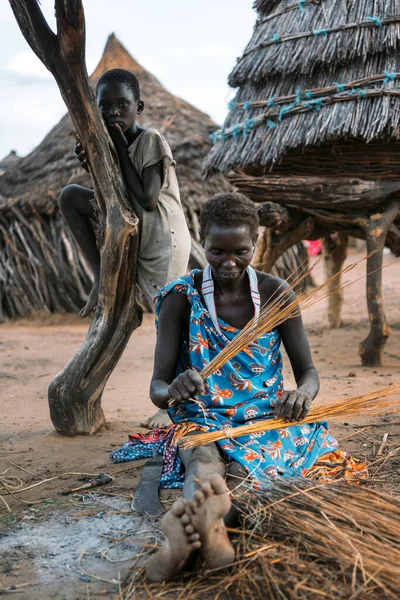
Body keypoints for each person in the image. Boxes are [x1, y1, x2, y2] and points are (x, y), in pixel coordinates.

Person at [111, 192, 367, 582]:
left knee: (251, 472)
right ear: (202, 241)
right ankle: (206, 525)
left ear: (255, 242)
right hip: (201, 415)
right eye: (216, 251)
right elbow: (157, 388)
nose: (229, 263)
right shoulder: (180, 298)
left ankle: (206, 523)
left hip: (266, 413)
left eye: (240, 252)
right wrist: (173, 389)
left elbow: (309, 373)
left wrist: (302, 394)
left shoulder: (275, 293)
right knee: (202, 458)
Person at [58, 68, 191, 429]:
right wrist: (98, 164)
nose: (114, 111)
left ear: (139, 106)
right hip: (134, 232)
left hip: (163, 236)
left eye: (123, 104)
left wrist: (115, 147)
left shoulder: (151, 139)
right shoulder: (110, 145)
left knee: (169, 322)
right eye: (106, 106)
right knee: (70, 196)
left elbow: (147, 198)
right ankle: (98, 276)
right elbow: (114, 195)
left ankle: (171, 405)